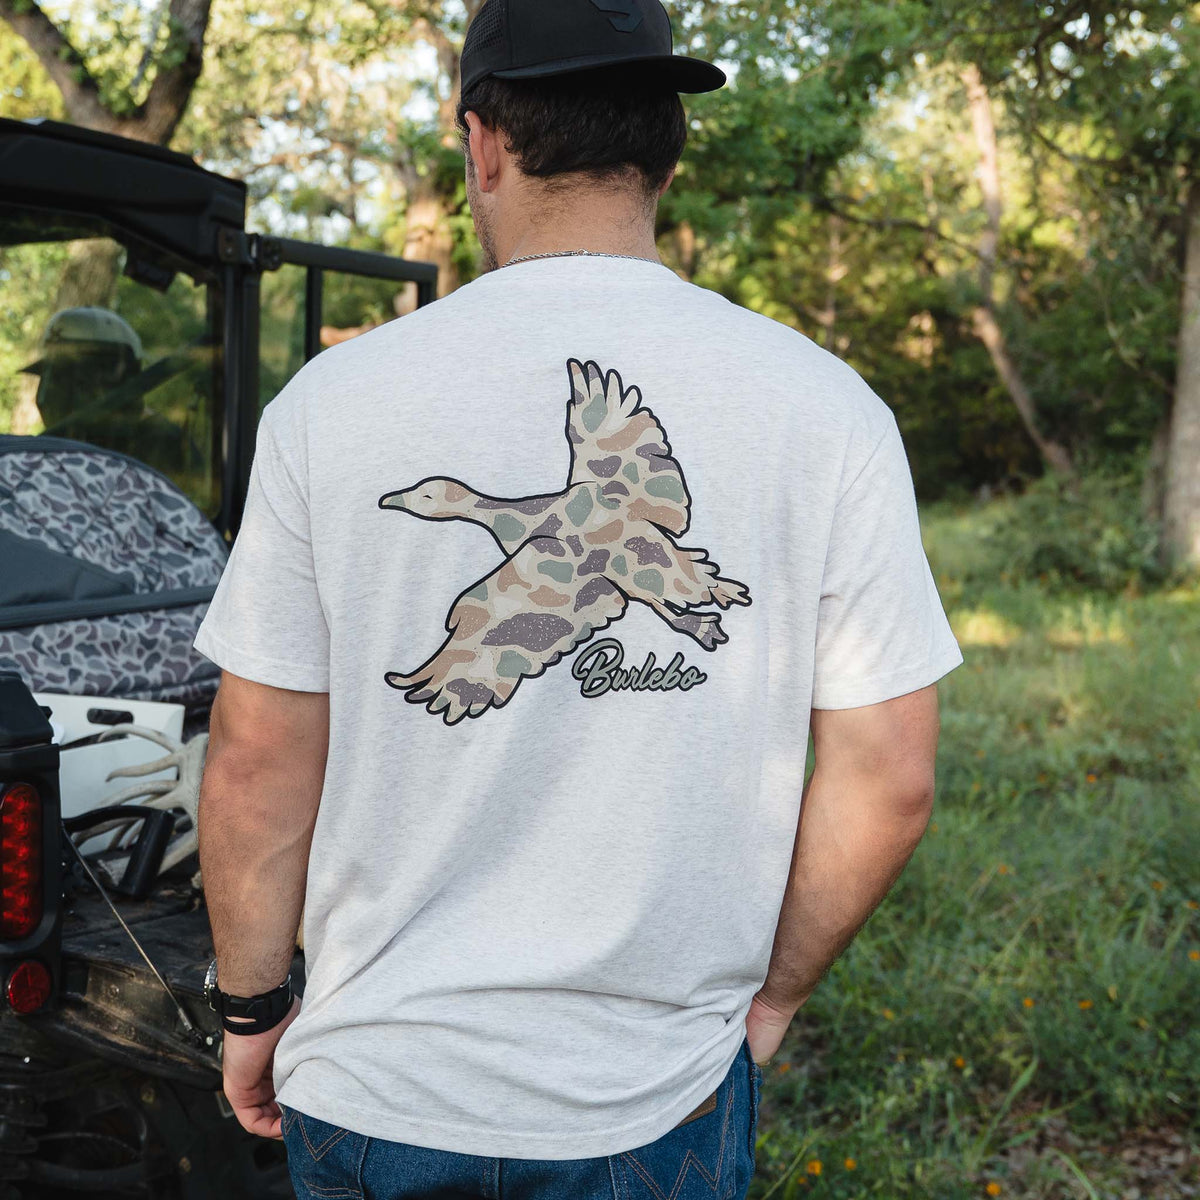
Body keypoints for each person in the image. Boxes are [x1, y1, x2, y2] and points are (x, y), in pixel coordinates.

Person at [193, 0, 965, 1196]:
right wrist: (773, 998)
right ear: (668, 149)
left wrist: (251, 1007)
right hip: (657, 1095)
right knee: (478, 625)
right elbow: (891, 775)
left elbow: (254, 763)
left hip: (381, 1091)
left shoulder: (325, 409)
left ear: (481, 143)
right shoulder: (827, 409)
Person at [21, 305, 200, 480]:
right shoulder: (70, 447)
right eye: (49, 378)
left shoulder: (165, 447)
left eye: (65, 379)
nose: (47, 396)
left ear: (115, 378)